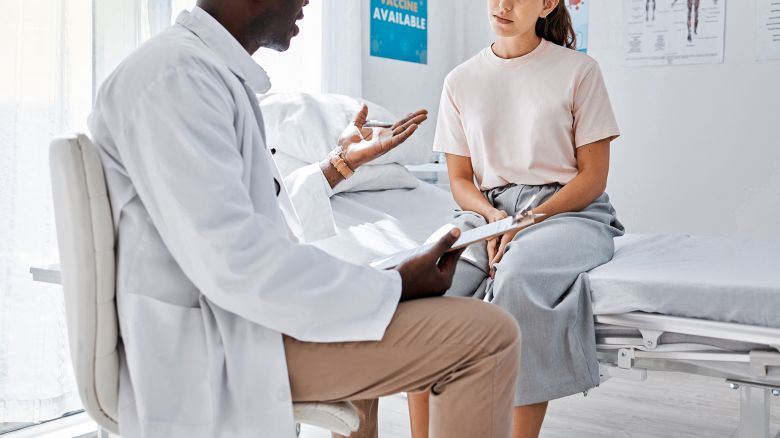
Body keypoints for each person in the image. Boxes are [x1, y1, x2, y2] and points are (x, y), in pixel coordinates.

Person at [87, 1, 521, 437]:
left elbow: (257, 219)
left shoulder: (197, 72)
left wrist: (339, 166)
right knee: (486, 336)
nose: (309, 2)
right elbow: (237, 262)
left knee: (365, 308)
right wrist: (398, 282)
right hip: (216, 343)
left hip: (234, 321)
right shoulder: (178, 78)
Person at [407, 0, 625, 437]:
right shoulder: (460, 80)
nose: (503, 6)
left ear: (547, 4)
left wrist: (531, 219)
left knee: (517, 277)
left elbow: (593, 178)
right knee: (424, 288)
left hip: (569, 211)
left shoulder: (578, 71)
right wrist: (493, 218)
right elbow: (460, 179)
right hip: (485, 209)